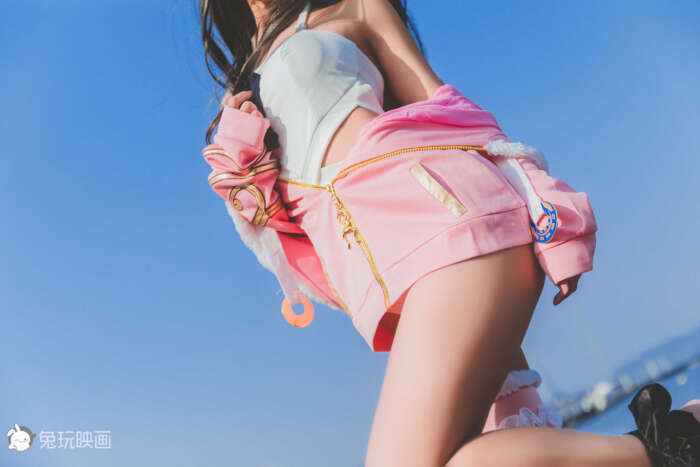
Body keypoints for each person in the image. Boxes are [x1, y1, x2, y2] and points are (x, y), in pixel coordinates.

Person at [197, 0, 700, 465]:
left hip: (454, 227)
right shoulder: (242, 87)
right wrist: (246, 178)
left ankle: (677, 442)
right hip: (402, 281)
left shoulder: (354, 7)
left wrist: (541, 197)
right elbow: (292, 232)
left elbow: (449, 109)